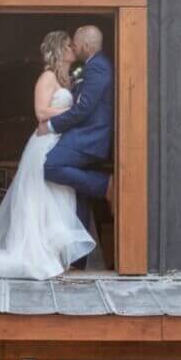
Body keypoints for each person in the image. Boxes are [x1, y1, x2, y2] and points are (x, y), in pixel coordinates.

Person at [0, 30, 96, 279]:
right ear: (59, 49)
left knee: (60, 197)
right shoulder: (46, 77)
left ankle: (55, 255)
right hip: (44, 145)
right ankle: (36, 253)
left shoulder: (67, 79)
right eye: (69, 45)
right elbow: (40, 112)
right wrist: (74, 113)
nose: (73, 49)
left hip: (60, 144)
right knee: (41, 198)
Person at [38, 24, 114, 269]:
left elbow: (83, 108)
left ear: (86, 45)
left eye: (76, 43)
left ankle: (105, 185)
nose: (74, 46)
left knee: (51, 166)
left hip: (88, 137)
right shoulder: (89, 68)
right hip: (81, 135)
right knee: (79, 196)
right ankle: (78, 261)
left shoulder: (98, 66)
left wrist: (50, 127)